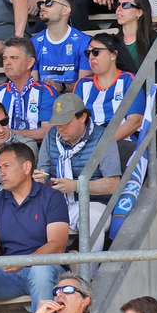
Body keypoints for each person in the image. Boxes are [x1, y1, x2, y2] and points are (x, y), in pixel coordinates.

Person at [0, 142, 68, 310]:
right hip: (8, 272)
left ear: (27, 167)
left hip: (45, 269)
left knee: (40, 271)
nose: (1, 173)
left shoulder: (52, 197)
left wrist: (24, 261)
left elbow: (58, 245)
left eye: (6, 166)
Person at [36, 92, 136, 236]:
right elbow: (43, 172)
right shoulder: (51, 135)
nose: (60, 129)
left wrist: (77, 186)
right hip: (56, 202)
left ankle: (89, 260)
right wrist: (39, 178)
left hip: (94, 203)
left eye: (66, 123)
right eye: (58, 124)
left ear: (82, 117)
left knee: (91, 218)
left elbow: (113, 184)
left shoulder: (103, 137)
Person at [0, 38, 55, 142]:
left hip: (33, 151)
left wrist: (11, 133)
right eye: (4, 58)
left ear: (30, 63)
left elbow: (49, 131)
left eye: (13, 58)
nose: (7, 62)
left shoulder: (45, 92)